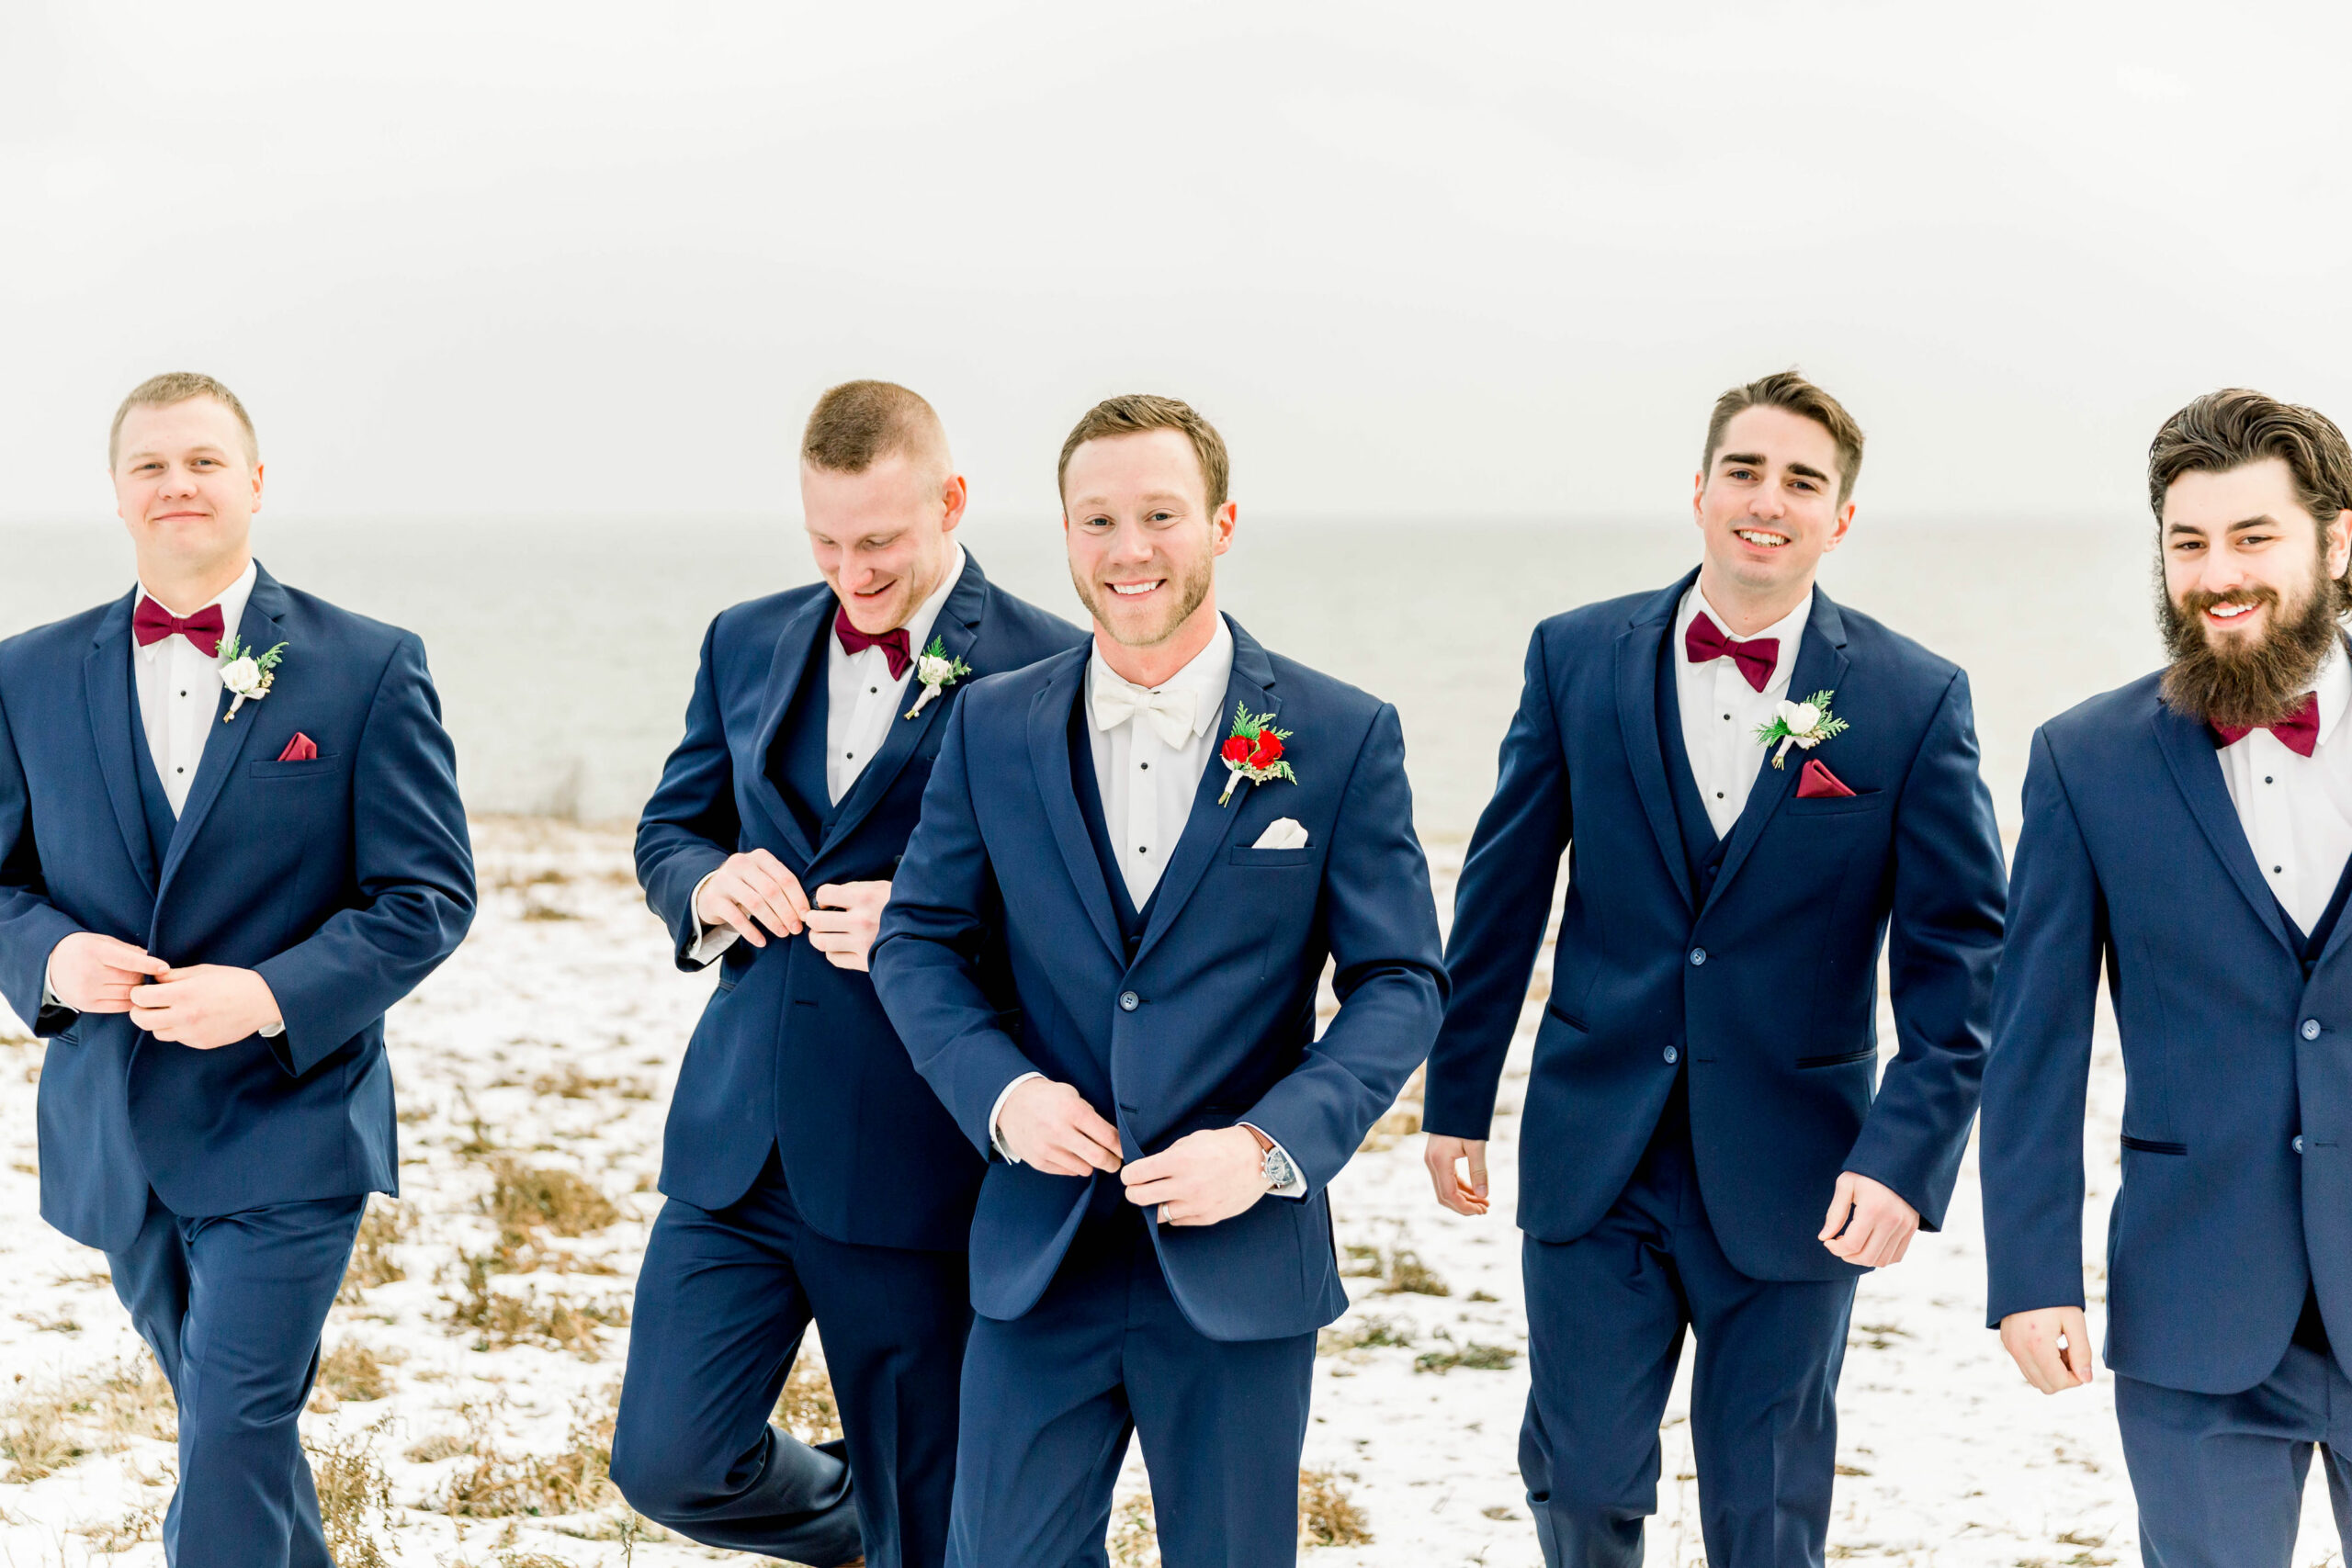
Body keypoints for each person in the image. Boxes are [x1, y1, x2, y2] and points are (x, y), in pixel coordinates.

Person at [1421, 370, 2006, 1567]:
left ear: (1840, 518)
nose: (1767, 499)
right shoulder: (1577, 655)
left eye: (1803, 480)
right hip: (1598, 1145)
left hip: (1802, 1168)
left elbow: (1961, 960)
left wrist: (1905, 1160)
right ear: (1699, 489)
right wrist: (1457, 1097)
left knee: (1769, 1507)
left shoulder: (1911, 697)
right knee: (1580, 1475)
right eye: (1745, 469)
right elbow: (1502, 892)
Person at [870, 394, 1445, 1568]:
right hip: (1041, 1250)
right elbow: (918, 940)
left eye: (1159, 515)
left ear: (1221, 524)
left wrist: (1269, 1146)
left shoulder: (1340, 736)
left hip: (1239, 1262)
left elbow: (1399, 982)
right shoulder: (988, 728)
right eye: (1098, 520)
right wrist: (1002, 1094)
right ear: (1068, 535)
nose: (1129, 550)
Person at [0, 373, 475, 1565]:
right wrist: (52, 950)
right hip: (116, 1123)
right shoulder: (26, 671)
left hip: (291, 1117)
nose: (179, 484)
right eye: (153, 464)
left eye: (205, 460)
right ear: (117, 494)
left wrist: (268, 993)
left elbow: (429, 896)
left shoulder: (367, 666)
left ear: (254, 483)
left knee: (233, 1424)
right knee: (235, 1431)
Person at [612, 380, 1083, 1568]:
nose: (852, 571)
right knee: (667, 1458)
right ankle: (856, 1530)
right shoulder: (746, 635)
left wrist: (936, 926)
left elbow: (1088, 918)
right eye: (825, 541)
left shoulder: (1054, 666)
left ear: (951, 500)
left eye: (878, 541)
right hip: (736, 1138)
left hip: (913, 1155)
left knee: (930, 1516)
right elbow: (672, 827)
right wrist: (706, 886)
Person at [1982, 388, 2352, 1565]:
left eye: (2253, 537)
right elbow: (2033, 1040)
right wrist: (2030, 1274)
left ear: (2337, 544)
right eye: (2187, 544)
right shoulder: (2085, 761)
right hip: (2195, 1306)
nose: (2216, 575)